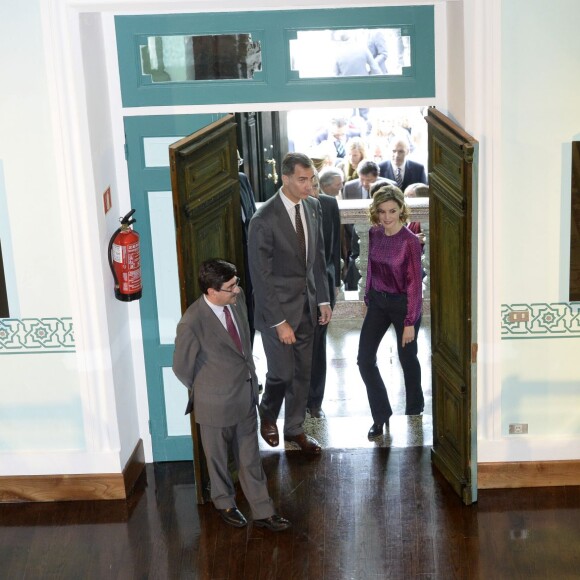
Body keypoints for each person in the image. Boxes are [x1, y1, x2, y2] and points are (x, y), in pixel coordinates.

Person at [172, 258, 291, 531]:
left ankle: (263, 511)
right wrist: (208, 387)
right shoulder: (192, 322)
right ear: (211, 291)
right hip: (214, 404)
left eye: (235, 283)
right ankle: (225, 503)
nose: (236, 290)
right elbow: (181, 367)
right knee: (217, 461)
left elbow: (244, 348)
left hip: (245, 396)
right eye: (230, 287)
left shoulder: (235, 302)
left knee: (250, 459)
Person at [248, 152, 332, 455]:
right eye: (302, 179)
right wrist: (279, 322)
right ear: (285, 179)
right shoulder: (263, 220)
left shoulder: (313, 207)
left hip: (309, 308)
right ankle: (267, 413)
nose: (309, 185)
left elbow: (317, 259)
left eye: (311, 179)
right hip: (277, 314)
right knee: (282, 373)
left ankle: (295, 429)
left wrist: (322, 298)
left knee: (302, 374)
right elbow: (261, 277)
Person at [357, 185, 424, 439]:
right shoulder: (374, 233)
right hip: (378, 302)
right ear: (376, 212)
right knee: (364, 360)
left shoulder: (410, 242)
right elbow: (371, 269)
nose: (387, 217)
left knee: (408, 359)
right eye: (382, 211)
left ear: (401, 210)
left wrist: (410, 321)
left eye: (392, 211)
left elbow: (415, 285)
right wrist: (366, 298)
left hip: (403, 305)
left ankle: (415, 410)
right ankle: (381, 415)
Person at [307, 171, 341, 419]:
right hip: (297, 291)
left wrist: (335, 283)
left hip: (324, 288)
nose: (313, 189)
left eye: (316, 184)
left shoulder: (329, 204)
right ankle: (296, 397)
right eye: (308, 183)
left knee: (319, 345)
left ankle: (314, 401)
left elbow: (336, 247)